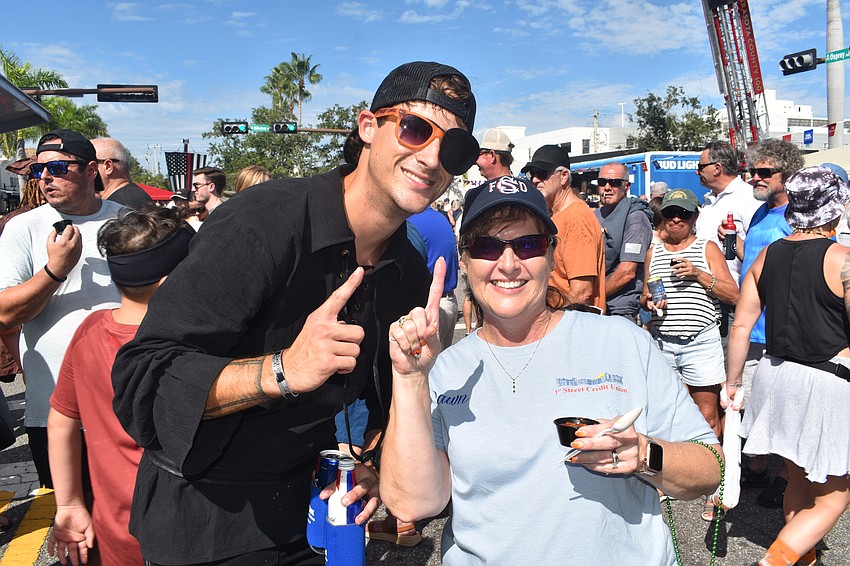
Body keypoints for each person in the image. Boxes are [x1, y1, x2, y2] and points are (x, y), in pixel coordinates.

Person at [111, 61, 479, 565]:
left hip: (311, 515)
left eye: (454, 148)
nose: (433, 156)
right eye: (415, 129)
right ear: (368, 126)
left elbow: (386, 406)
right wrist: (283, 370)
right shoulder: (265, 220)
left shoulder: (408, 268)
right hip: (205, 522)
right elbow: (141, 380)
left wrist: (372, 461)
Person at [380, 175, 722, 565]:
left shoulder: (622, 342)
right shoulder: (443, 369)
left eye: (528, 245)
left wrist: (645, 454)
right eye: (487, 247)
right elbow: (412, 503)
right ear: (464, 259)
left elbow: (710, 467)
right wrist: (408, 379)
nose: (508, 265)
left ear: (552, 254)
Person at [48, 206, 194, 566]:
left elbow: (62, 418)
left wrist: (68, 503)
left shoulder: (91, 330)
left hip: (115, 530)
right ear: (171, 281)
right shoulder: (193, 345)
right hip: (189, 533)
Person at [724, 166, 850, 566]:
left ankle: (801, 556)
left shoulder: (765, 255)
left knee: (797, 476)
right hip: (828, 379)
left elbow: (741, 325)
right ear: (835, 209)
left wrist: (733, 381)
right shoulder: (842, 259)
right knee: (835, 493)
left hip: (776, 376)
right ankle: (776, 560)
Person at [0, 129, 122, 489]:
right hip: (53, 406)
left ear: (90, 171)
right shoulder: (23, 228)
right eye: (39, 171)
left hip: (123, 401)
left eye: (56, 167)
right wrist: (55, 271)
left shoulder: (128, 220)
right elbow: (5, 314)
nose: (45, 178)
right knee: (70, 514)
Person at [735, 139, 804, 508]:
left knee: (784, 410)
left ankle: (785, 478)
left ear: (787, 174)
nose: (754, 179)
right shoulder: (762, 212)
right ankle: (758, 469)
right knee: (753, 406)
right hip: (752, 326)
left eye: (764, 173)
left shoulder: (796, 215)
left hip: (780, 329)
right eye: (752, 172)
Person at [523, 145, 605, 311]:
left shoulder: (577, 219)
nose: (535, 180)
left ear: (564, 176)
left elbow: (581, 292)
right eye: (532, 174)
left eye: (542, 173)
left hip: (573, 325)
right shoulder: (557, 215)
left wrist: (549, 320)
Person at [594, 162, 653, 320]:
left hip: (619, 309)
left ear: (626, 186)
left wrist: (592, 297)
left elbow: (627, 272)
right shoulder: (595, 215)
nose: (607, 187)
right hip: (595, 305)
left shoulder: (636, 218)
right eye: (602, 182)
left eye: (614, 183)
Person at [91, 138, 154, 209]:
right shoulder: (129, 199)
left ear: (108, 167)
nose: (84, 170)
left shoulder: (126, 206)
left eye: (90, 164)